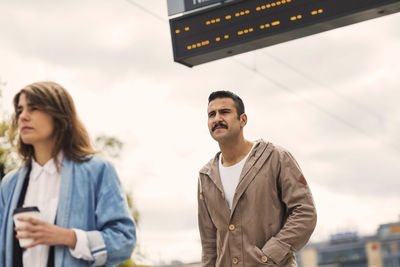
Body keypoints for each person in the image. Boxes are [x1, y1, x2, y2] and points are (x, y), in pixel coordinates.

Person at [0, 81, 136, 267]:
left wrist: (69, 237)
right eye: (20, 110)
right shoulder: (10, 184)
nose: (23, 117)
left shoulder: (97, 170)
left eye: (33, 108)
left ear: (59, 115)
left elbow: (124, 240)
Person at [198, 91, 317, 267]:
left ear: (243, 120)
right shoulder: (206, 176)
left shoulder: (276, 158)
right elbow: (209, 243)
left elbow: (304, 212)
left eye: (224, 112)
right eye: (211, 114)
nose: (217, 119)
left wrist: (269, 255)